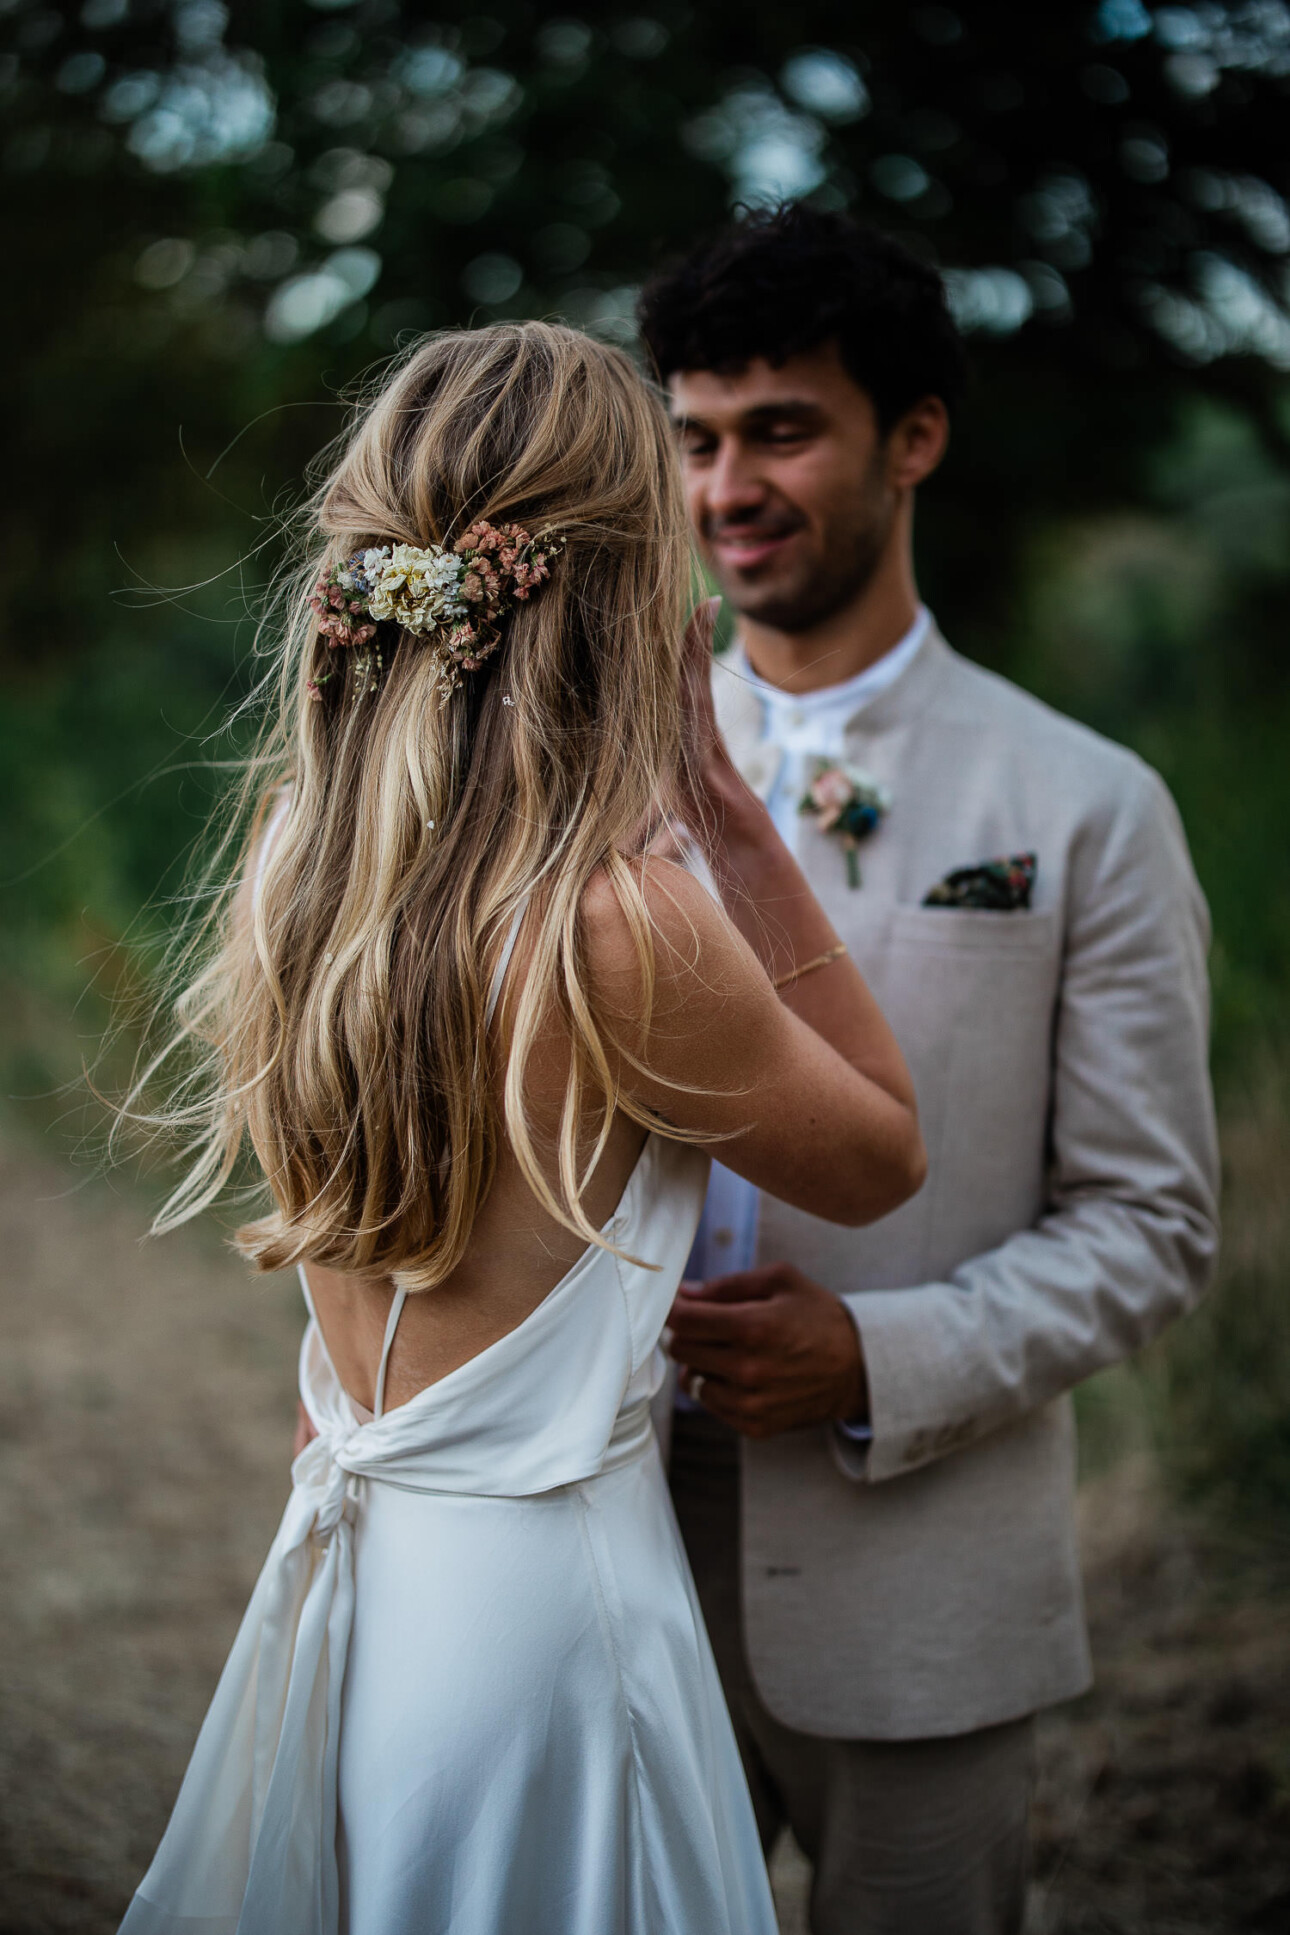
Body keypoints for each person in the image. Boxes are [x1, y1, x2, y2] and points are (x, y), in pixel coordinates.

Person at [115, 321, 925, 1935]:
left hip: (355, 1560)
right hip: (543, 1621)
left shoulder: (298, 856)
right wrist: (737, 824)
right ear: (634, 589)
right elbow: (882, 1154)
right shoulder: (619, 924)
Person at [637, 204, 1220, 1935]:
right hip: (600, 1548)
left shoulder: (1083, 804)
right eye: (695, 440)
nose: (726, 488)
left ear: (913, 439)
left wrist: (876, 1356)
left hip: (921, 1572)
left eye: (781, 430)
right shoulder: (594, 776)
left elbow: (1149, 1224)